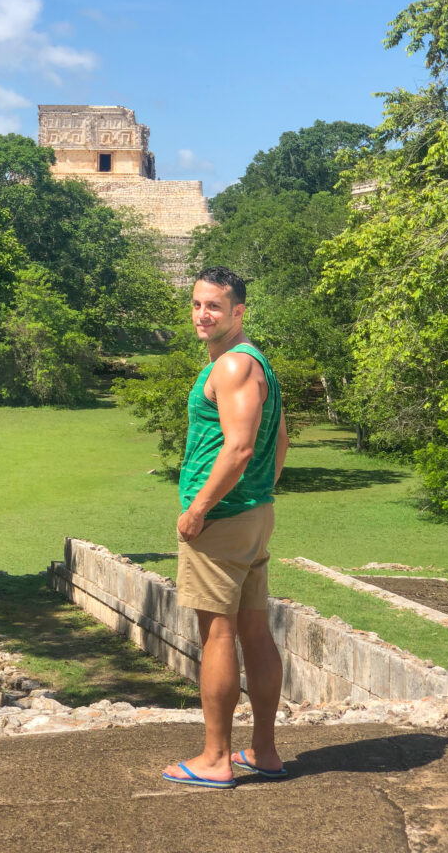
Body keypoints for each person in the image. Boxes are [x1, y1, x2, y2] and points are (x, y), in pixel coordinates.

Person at [163, 266, 289, 790]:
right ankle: (263, 750)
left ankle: (216, 758)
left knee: (216, 632)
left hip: (221, 519)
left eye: (214, 306)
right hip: (253, 514)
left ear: (238, 311)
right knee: (254, 629)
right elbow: (278, 441)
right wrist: (257, 491)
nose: (202, 314)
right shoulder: (254, 362)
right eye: (196, 304)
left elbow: (239, 448)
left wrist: (201, 509)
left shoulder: (233, 365)